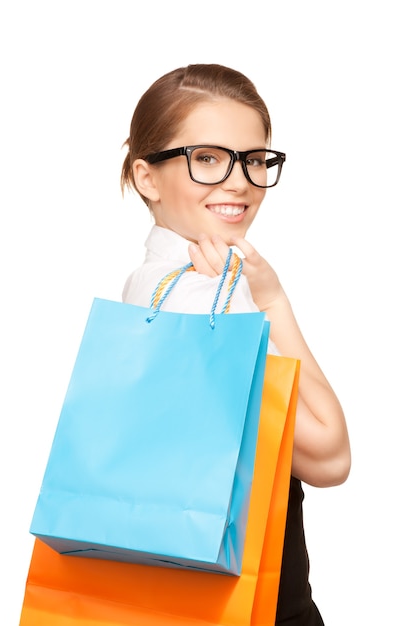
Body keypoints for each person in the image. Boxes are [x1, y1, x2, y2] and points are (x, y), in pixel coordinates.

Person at [120, 63, 351, 626]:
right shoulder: (207, 298)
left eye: (254, 158)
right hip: (255, 610)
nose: (240, 180)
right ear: (147, 177)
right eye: (206, 158)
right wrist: (271, 299)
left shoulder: (147, 284)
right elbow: (329, 454)